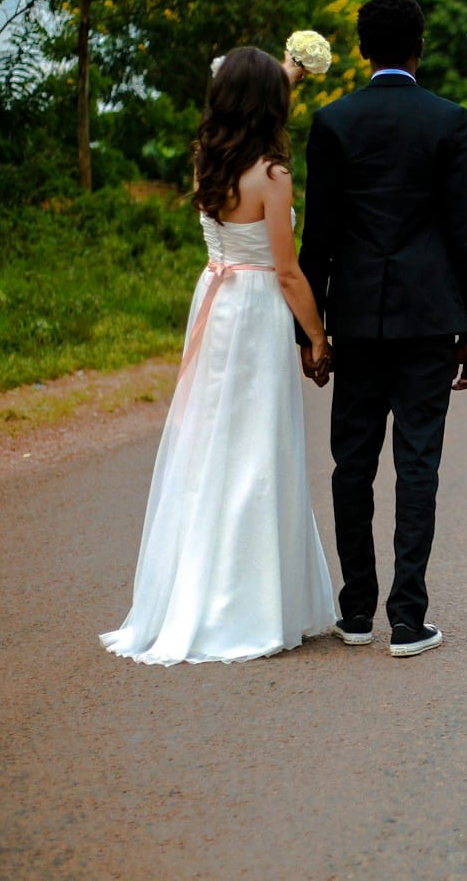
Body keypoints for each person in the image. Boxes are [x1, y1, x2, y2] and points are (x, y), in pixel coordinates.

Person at [101, 46, 337, 665]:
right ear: (271, 105)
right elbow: (287, 271)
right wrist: (317, 336)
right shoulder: (274, 176)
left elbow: (250, 91)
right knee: (258, 445)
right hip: (257, 306)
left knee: (212, 443)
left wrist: (289, 68)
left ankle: (194, 591)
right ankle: (248, 603)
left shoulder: (208, 158)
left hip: (216, 297)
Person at [297, 0, 467, 658]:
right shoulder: (447, 119)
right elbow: (463, 234)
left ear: (361, 49)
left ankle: (355, 613)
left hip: (355, 321)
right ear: (419, 47)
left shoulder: (333, 121)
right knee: (417, 464)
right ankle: (408, 618)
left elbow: (316, 237)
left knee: (351, 464)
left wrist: (310, 332)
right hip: (431, 320)